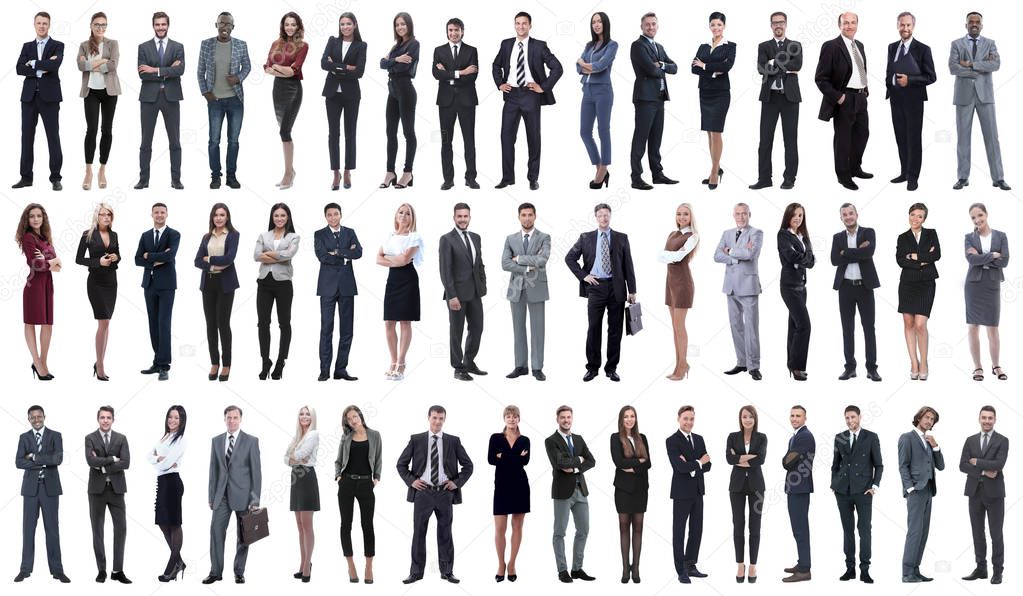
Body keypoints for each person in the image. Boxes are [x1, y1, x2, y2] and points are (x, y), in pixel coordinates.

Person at [396, 405, 474, 584]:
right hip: (423, 493)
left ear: (444, 419)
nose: (437, 421)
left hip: (444, 493)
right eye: (434, 418)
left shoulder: (453, 441)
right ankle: (416, 573)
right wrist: (411, 481)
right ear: (428, 418)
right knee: (418, 533)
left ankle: (447, 572)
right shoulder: (416, 440)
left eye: (441, 418)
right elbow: (401, 464)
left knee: (445, 533)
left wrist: (456, 483)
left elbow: (468, 466)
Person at [565, 203, 637, 382]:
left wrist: (632, 290)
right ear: (595, 217)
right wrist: (584, 276)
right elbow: (569, 258)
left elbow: (628, 265)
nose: (603, 218)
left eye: (606, 215)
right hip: (595, 287)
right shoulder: (586, 237)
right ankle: (592, 368)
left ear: (610, 216)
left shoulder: (621, 238)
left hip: (616, 288)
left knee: (615, 330)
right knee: (594, 328)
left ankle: (611, 368)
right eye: (600, 215)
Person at [493, 11, 564, 190]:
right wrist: (500, 83)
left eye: (524, 23)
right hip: (511, 95)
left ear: (530, 25)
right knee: (506, 137)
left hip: (530, 95)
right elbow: (496, 65)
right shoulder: (506, 44)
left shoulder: (539, 46)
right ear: (514, 25)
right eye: (518, 23)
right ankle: (507, 178)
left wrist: (544, 87)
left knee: (533, 138)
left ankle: (533, 178)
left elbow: (557, 68)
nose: (521, 26)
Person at [203, 405, 262, 585]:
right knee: (215, 532)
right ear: (224, 419)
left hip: (244, 497)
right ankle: (215, 572)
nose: (232, 420)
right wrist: (211, 495)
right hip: (221, 496)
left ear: (240, 419)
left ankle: (239, 571)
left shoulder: (251, 441)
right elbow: (213, 470)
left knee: (244, 536)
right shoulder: (216, 441)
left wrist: (255, 499)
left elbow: (256, 472)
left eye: (235, 417)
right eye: (229, 417)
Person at [951, 12, 1010, 191]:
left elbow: (996, 64)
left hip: (986, 96)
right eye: (971, 22)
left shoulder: (990, 43)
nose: (974, 24)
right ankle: (962, 177)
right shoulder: (956, 44)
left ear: (982, 25)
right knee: (963, 139)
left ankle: (998, 178)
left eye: (977, 22)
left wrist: (970, 65)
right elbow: (953, 67)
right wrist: (980, 67)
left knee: (992, 137)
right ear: (966, 24)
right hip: (963, 96)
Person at [816, 12, 872, 191]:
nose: (849, 26)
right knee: (843, 140)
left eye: (853, 22)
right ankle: (843, 175)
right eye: (845, 23)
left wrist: (865, 90)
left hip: (861, 97)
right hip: (844, 98)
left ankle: (855, 168)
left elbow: (860, 69)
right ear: (839, 25)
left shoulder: (860, 45)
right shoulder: (831, 46)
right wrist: (839, 97)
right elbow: (821, 78)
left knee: (862, 135)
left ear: (858, 24)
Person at [15, 405, 69, 583]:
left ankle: (57, 570)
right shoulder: (24, 438)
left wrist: (35, 458)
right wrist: (44, 462)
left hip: (50, 489)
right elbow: (18, 462)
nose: (36, 420)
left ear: (44, 416)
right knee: (28, 530)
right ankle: (25, 569)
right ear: (28, 419)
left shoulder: (55, 436)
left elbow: (58, 459)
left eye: (39, 416)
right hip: (30, 490)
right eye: (33, 417)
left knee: (52, 530)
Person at [198, 12, 251, 189]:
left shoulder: (241, 45)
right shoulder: (206, 45)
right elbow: (200, 71)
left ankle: (231, 176)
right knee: (214, 140)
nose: (224, 27)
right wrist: (206, 92)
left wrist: (238, 77)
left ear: (233, 27)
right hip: (215, 101)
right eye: (222, 23)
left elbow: (248, 66)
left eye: (228, 24)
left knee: (233, 141)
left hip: (236, 100)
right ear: (216, 25)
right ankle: (215, 176)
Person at [831, 405, 882, 583]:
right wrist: (834, 486)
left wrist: (874, 486)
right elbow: (835, 464)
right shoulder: (840, 437)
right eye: (847, 418)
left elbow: (879, 465)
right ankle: (850, 568)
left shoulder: (871, 437)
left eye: (853, 417)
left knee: (865, 530)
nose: (850, 421)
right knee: (847, 531)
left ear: (859, 417)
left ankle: (865, 569)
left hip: (863, 491)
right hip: (842, 491)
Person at [750, 12, 801, 190]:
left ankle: (789, 178)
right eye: (774, 23)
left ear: (786, 24)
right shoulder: (763, 46)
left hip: (790, 99)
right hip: (770, 98)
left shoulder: (795, 45)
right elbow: (760, 68)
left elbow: (797, 66)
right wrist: (783, 66)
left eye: (781, 22)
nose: (778, 25)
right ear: (771, 25)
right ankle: (764, 178)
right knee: (765, 140)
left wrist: (773, 62)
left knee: (790, 140)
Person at [831, 203, 881, 381]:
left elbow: (869, 252)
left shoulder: (868, 232)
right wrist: (858, 251)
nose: (848, 217)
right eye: (844, 214)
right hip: (845, 287)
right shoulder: (837, 237)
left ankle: (872, 368)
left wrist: (847, 252)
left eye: (851, 213)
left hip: (864, 287)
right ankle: (850, 367)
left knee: (869, 328)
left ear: (856, 214)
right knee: (847, 329)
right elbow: (834, 259)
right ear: (841, 218)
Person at [545, 405, 596, 583]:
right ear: (557, 419)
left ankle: (577, 568)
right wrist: (579, 460)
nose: (566, 420)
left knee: (584, 530)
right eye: (563, 417)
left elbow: (592, 460)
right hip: (562, 492)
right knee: (560, 532)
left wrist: (573, 466)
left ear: (572, 418)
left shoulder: (579, 439)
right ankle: (562, 570)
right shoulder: (551, 441)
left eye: (569, 417)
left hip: (580, 489)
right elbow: (558, 462)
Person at [886, 12, 935, 191]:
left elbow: (931, 76)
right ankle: (904, 172)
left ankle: (913, 177)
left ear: (913, 26)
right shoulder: (892, 47)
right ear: (897, 25)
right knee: (900, 138)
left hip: (914, 101)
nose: (905, 28)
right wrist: (890, 85)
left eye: (908, 25)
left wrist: (910, 80)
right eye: (902, 25)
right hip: (896, 99)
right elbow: (889, 71)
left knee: (913, 139)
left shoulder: (923, 49)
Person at [14, 12, 63, 191]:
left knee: (53, 137)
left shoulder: (57, 45)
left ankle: (56, 178)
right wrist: (41, 67)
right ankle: (26, 177)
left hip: (50, 98)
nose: (42, 26)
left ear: (49, 25)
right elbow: (19, 69)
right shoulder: (27, 46)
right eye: (39, 23)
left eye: (45, 23)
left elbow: (54, 66)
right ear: (34, 25)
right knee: (26, 137)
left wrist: (33, 63)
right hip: (28, 98)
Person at [136, 11, 184, 190]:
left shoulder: (178, 46)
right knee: (145, 141)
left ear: (168, 25)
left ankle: (176, 179)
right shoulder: (143, 47)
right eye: (157, 24)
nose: (160, 27)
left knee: (175, 141)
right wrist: (166, 70)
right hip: (149, 99)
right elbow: (142, 74)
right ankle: (143, 179)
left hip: (171, 98)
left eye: (163, 24)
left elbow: (180, 71)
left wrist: (154, 70)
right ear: (153, 25)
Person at [714, 203, 763, 380]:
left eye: (744, 214)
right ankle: (742, 362)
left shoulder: (756, 233)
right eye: (738, 214)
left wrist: (730, 250)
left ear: (750, 214)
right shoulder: (726, 233)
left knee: (751, 328)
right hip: (731, 286)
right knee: (736, 326)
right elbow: (716, 256)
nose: (741, 217)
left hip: (748, 286)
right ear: (733, 215)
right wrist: (735, 257)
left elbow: (751, 254)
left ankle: (754, 366)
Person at [629, 12, 678, 190]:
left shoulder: (659, 47)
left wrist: (662, 64)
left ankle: (657, 174)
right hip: (645, 99)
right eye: (647, 24)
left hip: (659, 98)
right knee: (641, 138)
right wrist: (658, 66)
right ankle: (636, 177)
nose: (651, 27)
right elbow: (651, 70)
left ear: (658, 26)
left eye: (654, 24)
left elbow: (674, 67)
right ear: (641, 26)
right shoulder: (637, 46)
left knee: (656, 138)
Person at [439, 202, 487, 381]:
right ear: (454, 218)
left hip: (475, 292)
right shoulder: (447, 239)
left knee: (477, 328)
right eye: (459, 216)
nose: (462, 219)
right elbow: (445, 270)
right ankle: (458, 367)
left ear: (469, 217)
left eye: (465, 216)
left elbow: (479, 263)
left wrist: (483, 285)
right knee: (457, 331)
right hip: (456, 295)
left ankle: (469, 361)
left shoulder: (476, 237)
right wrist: (451, 295)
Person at [960, 406, 1007, 584]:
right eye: (984, 418)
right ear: (979, 418)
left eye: (990, 418)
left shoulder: (1003, 440)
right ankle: (981, 568)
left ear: (995, 420)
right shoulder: (970, 440)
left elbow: (999, 464)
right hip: (974, 493)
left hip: (995, 494)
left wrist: (977, 462)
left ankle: (997, 571)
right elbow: (962, 465)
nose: (987, 421)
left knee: (996, 533)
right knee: (977, 533)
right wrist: (984, 471)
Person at [315, 202, 362, 382]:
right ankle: (324, 370)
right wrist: (345, 255)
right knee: (326, 329)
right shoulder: (319, 234)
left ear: (340, 215)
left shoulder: (350, 232)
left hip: (347, 286)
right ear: (325, 217)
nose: (333, 217)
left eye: (336, 214)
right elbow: (322, 256)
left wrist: (336, 252)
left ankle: (340, 369)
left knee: (347, 330)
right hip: (327, 286)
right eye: (329, 215)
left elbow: (358, 252)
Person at [503, 202, 550, 381]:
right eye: (524, 215)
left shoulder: (544, 237)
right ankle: (520, 366)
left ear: (535, 216)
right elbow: (505, 263)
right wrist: (528, 267)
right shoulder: (510, 238)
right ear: (519, 217)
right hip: (516, 289)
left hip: (537, 288)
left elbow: (543, 260)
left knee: (538, 329)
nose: (527, 218)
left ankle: (537, 367)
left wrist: (520, 259)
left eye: (530, 215)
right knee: (518, 329)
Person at [335, 405, 381, 584]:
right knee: (346, 524)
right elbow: (338, 461)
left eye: (355, 416)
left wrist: (376, 478)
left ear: (360, 416)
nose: (353, 420)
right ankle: (351, 564)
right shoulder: (346, 437)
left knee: (367, 525)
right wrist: (339, 476)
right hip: (346, 483)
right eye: (349, 418)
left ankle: (369, 566)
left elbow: (378, 459)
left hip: (366, 483)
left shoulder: (375, 435)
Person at [898, 406, 944, 583]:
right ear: (919, 417)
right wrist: (909, 488)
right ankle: (907, 572)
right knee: (914, 532)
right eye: (927, 417)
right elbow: (902, 465)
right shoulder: (907, 438)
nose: (929, 421)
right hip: (916, 491)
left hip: (929, 491)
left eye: (932, 419)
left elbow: (941, 466)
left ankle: (916, 570)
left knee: (924, 532)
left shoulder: (929, 440)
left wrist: (936, 446)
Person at [85, 406, 131, 584]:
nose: (105, 420)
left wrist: (102, 465)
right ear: (98, 419)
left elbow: (126, 463)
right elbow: (90, 460)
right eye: (102, 417)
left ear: (113, 420)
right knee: (97, 530)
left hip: (117, 490)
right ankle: (101, 570)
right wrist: (112, 459)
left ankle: (117, 571)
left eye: (108, 417)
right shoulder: (90, 438)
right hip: (96, 491)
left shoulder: (121, 438)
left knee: (121, 529)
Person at [194, 203, 239, 382]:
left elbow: (230, 258)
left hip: (225, 284)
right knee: (210, 324)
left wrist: (209, 258)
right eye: (216, 215)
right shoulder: (207, 237)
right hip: (208, 284)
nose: (219, 218)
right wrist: (213, 264)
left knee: (223, 323)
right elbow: (197, 260)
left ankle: (226, 363)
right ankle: (214, 362)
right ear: (212, 217)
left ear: (227, 217)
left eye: (222, 215)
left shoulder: (234, 235)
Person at [377, 203, 423, 381]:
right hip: (393, 280)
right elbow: (377, 258)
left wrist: (391, 259)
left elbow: (405, 260)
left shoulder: (414, 237)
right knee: (389, 322)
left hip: (408, 279)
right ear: (396, 215)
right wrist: (396, 260)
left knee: (405, 321)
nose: (404, 215)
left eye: (408, 213)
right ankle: (393, 361)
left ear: (412, 218)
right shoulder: (389, 236)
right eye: (401, 212)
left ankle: (401, 363)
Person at [433, 17, 479, 190]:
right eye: (450, 30)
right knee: (446, 142)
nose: (453, 33)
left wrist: (449, 74)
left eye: (456, 30)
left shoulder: (471, 50)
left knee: (469, 141)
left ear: (462, 31)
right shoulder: (439, 50)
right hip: (446, 101)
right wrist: (461, 72)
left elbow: (473, 76)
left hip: (467, 101)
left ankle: (471, 177)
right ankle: (448, 179)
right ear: (447, 32)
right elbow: (436, 74)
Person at [896, 202, 940, 380]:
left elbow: (936, 255)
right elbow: (900, 260)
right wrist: (923, 258)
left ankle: (924, 362)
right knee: (908, 323)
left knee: (920, 324)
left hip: (926, 283)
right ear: (909, 215)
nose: (915, 219)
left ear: (924, 219)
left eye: (919, 216)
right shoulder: (902, 237)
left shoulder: (931, 234)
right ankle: (914, 362)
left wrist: (914, 256)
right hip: (907, 284)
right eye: (913, 214)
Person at [965, 203, 1009, 381]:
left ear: (986, 214)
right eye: (973, 218)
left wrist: (982, 256)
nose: (977, 220)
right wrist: (993, 255)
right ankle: (977, 367)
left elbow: (1004, 261)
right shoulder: (969, 237)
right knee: (973, 326)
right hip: (973, 285)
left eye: (980, 215)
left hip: (992, 284)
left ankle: (996, 365)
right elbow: (970, 259)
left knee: (993, 326)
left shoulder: (1001, 236)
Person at [321, 12, 365, 191]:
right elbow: (323, 63)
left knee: (350, 134)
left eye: (348, 24)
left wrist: (336, 66)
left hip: (351, 95)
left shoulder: (361, 46)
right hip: (332, 94)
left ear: (355, 25)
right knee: (333, 134)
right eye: (342, 24)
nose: (345, 27)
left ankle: (347, 171)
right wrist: (346, 67)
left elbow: (360, 72)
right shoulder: (333, 41)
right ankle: (335, 172)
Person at [254, 203, 299, 380]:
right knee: (262, 323)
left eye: (282, 215)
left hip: (283, 284)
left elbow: (289, 255)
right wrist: (279, 254)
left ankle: (280, 361)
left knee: (284, 323)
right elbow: (256, 256)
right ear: (272, 217)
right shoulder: (263, 235)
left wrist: (268, 253)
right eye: (276, 216)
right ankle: (266, 361)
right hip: (264, 282)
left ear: (288, 217)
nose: (279, 219)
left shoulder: (294, 236)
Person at [76, 203, 120, 381]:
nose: (106, 217)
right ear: (97, 216)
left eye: (109, 214)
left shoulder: (114, 234)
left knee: (106, 323)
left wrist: (116, 257)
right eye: (103, 214)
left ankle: (100, 361)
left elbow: (117, 255)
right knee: (103, 322)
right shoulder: (87, 235)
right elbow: (79, 259)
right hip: (95, 283)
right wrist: (97, 262)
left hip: (111, 282)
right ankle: (100, 364)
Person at [263, 12, 307, 190]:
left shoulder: (302, 45)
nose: (290, 27)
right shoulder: (276, 44)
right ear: (283, 26)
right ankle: (290, 170)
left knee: (285, 131)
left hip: (293, 90)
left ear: (298, 26)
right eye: (287, 24)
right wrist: (280, 69)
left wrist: (277, 68)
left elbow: (293, 71)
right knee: (283, 132)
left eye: (293, 24)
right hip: (278, 90)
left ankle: (288, 173)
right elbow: (266, 67)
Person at [667, 405, 711, 583]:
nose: (689, 422)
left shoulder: (699, 439)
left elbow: (708, 465)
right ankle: (681, 570)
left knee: (696, 530)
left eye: (692, 419)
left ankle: (691, 564)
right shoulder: (672, 441)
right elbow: (679, 467)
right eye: (686, 418)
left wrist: (693, 464)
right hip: (681, 492)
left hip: (698, 491)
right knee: (679, 531)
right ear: (679, 418)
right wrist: (698, 462)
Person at [136, 203, 179, 381]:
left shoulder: (173, 234)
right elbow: (137, 259)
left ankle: (164, 365)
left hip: (167, 285)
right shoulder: (145, 235)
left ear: (167, 214)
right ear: (151, 214)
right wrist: (155, 258)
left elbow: (170, 256)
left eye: (162, 212)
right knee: (153, 323)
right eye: (156, 212)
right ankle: (157, 361)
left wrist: (149, 256)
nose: (159, 215)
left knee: (163, 323)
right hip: (149, 284)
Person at [17, 203, 60, 381]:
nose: (36, 219)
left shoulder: (45, 238)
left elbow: (59, 267)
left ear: (43, 219)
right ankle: (36, 361)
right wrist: (52, 261)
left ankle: (42, 361)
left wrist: (51, 261)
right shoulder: (28, 238)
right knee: (31, 323)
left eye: (39, 216)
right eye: (32, 216)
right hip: (34, 285)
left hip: (47, 285)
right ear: (27, 219)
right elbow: (35, 264)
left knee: (48, 324)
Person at [77, 12, 119, 191]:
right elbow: (80, 66)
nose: (100, 28)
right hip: (91, 92)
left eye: (103, 25)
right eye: (97, 24)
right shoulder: (84, 45)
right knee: (91, 129)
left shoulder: (113, 43)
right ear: (91, 26)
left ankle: (102, 169)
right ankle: (88, 170)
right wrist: (102, 62)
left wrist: (92, 63)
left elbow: (113, 65)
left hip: (110, 92)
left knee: (107, 130)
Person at [692, 12, 735, 190]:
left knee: (716, 131)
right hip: (705, 93)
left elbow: (727, 66)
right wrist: (712, 71)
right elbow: (693, 68)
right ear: (709, 26)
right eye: (713, 25)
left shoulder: (730, 46)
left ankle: (714, 171)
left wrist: (705, 66)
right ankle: (716, 168)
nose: (716, 28)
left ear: (724, 26)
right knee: (709, 132)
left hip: (721, 93)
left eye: (719, 24)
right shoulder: (703, 46)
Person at [488, 406, 530, 583]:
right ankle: (500, 564)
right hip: (502, 486)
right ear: (504, 418)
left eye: (515, 417)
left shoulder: (525, 439)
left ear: (519, 419)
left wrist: (503, 456)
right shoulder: (496, 437)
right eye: (508, 416)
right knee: (499, 528)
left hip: (520, 485)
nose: (511, 419)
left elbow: (525, 461)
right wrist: (515, 457)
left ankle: (512, 563)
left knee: (517, 527)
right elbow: (491, 459)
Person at [726, 406, 766, 584]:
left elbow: (761, 459)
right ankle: (740, 564)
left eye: (751, 417)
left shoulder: (762, 437)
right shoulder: (732, 437)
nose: (748, 419)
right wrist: (750, 457)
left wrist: (739, 457)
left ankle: (753, 565)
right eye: (744, 416)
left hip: (757, 486)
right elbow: (729, 459)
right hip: (736, 486)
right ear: (740, 418)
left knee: (755, 526)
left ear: (755, 419)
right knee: (738, 524)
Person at [577, 12, 617, 189]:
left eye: (599, 21)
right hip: (587, 90)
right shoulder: (589, 45)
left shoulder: (612, 45)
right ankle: (599, 165)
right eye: (593, 22)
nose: (596, 24)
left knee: (603, 130)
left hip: (603, 91)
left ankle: (604, 168)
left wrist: (583, 63)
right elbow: (577, 68)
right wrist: (585, 66)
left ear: (605, 23)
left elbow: (601, 65)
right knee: (584, 132)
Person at [379, 13, 419, 190]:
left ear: (409, 25)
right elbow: (381, 63)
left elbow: (404, 67)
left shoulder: (414, 44)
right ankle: (390, 172)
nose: (400, 27)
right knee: (390, 132)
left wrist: (391, 62)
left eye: (403, 24)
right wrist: (394, 59)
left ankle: (408, 172)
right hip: (392, 91)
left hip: (406, 91)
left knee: (408, 132)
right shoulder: (397, 46)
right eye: (397, 25)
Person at [659, 203, 698, 380]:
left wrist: (668, 255)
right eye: (679, 214)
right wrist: (669, 255)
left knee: (680, 326)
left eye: (685, 214)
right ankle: (678, 364)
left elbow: (677, 257)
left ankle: (683, 366)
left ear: (691, 217)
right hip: (670, 283)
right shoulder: (672, 234)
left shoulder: (693, 236)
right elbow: (662, 256)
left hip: (682, 284)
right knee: (674, 328)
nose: (681, 217)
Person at [611, 406, 650, 584]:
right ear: (621, 419)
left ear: (636, 418)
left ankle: (637, 568)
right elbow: (618, 462)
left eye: (632, 416)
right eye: (626, 416)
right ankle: (625, 568)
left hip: (641, 489)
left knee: (639, 528)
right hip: (623, 490)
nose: (629, 419)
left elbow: (648, 463)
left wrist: (631, 466)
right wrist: (638, 462)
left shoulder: (642, 438)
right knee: (624, 527)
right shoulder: (615, 438)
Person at [148, 405, 186, 582]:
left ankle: (172, 565)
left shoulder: (180, 440)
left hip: (172, 483)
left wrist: (162, 461)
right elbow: (149, 456)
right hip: (162, 483)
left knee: (174, 524)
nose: (172, 420)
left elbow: (167, 463)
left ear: (182, 421)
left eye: (176, 418)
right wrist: (159, 460)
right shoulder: (165, 437)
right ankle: (178, 561)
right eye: (170, 417)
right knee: (163, 523)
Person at [777, 203, 815, 381]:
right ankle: (798, 366)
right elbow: (789, 256)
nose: (798, 218)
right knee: (804, 325)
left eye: (801, 215)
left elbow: (812, 260)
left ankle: (791, 364)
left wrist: (803, 259)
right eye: (795, 215)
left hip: (802, 287)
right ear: (788, 216)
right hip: (789, 287)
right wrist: (803, 259)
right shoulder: (783, 234)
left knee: (794, 326)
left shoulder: (803, 236)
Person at [781, 405, 814, 583]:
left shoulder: (805, 437)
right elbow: (789, 459)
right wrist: (787, 458)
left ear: (805, 418)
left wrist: (785, 458)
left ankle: (804, 570)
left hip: (800, 488)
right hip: (796, 488)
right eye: (792, 415)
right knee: (798, 529)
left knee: (800, 530)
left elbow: (787, 462)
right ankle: (802, 562)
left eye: (798, 416)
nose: (794, 418)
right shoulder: (796, 437)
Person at [286, 406, 319, 582]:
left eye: (307, 414)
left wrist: (294, 457)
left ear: (312, 417)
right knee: (299, 526)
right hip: (296, 480)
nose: (304, 416)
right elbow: (286, 458)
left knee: (307, 525)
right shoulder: (298, 435)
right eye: (301, 413)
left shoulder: (313, 434)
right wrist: (294, 457)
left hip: (306, 478)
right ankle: (302, 563)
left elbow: (300, 454)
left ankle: (308, 565)